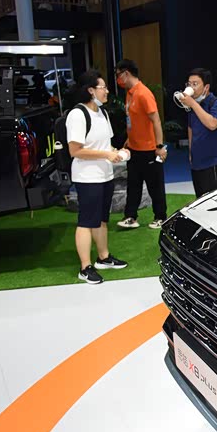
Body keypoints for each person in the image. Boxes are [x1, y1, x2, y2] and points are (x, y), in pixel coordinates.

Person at [66, 70, 128, 284]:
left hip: (105, 174)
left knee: (101, 219)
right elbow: (75, 150)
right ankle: (85, 267)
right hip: (87, 177)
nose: (107, 91)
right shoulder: (77, 115)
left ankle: (104, 257)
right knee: (86, 221)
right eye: (103, 87)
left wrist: (116, 153)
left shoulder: (102, 113)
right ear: (91, 90)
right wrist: (106, 155)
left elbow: (105, 145)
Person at [114, 59, 168, 229]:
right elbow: (134, 120)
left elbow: (156, 121)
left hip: (149, 149)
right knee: (133, 185)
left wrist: (159, 146)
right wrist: (129, 139)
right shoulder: (130, 93)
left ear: (126, 73)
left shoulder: (144, 94)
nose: (117, 79)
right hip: (134, 149)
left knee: (155, 186)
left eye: (118, 75)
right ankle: (130, 216)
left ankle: (161, 217)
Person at [178, 68, 217, 197]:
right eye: (189, 84)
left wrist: (193, 104)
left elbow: (212, 124)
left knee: (214, 201)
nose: (191, 87)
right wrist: (191, 152)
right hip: (197, 162)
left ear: (206, 87)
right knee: (200, 199)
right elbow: (191, 128)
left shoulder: (216, 104)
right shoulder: (193, 105)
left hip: (215, 162)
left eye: (195, 84)